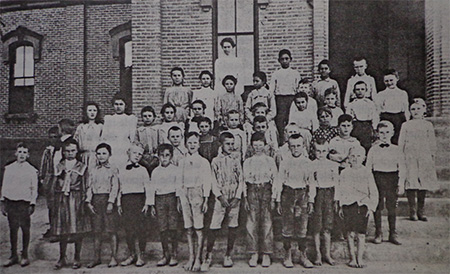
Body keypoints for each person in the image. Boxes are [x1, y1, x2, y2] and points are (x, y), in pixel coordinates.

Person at [201, 132, 244, 271]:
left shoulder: (236, 160)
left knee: (233, 225)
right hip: (221, 198)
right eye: (228, 144)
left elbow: (241, 179)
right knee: (214, 225)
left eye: (232, 144)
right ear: (221, 144)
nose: (230, 146)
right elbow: (213, 180)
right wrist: (220, 196)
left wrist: (237, 196)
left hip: (234, 198)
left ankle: (228, 254)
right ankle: (208, 255)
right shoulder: (215, 161)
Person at [273, 134, 314, 269]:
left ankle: (303, 255)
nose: (295, 149)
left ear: (303, 146)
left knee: (303, 226)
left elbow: (311, 183)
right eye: (292, 146)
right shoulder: (285, 161)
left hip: (302, 194)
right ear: (289, 147)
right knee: (287, 226)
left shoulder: (307, 162)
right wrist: (278, 200)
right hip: (288, 194)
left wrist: (311, 201)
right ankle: (287, 255)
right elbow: (279, 181)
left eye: (298, 146)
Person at [336, 145, 378, 268]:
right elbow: (340, 190)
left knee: (361, 234)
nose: (355, 158)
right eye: (353, 156)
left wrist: (370, 207)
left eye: (358, 156)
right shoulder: (344, 173)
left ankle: (360, 258)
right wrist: (340, 206)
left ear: (364, 158)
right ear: (348, 158)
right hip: (349, 205)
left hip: (362, 205)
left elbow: (373, 191)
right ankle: (352, 258)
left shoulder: (367, 172)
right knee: (350, 233)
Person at [52, 138, 90, 270]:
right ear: (63, 152)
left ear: (77, 151)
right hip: (62, 199)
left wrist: (84, 202)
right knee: (62, 229)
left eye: (73, 150)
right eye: (67, 151)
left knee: (77, 228)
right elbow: (54, 185)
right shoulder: (59, 166)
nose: (70, 153)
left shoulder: (82, 167)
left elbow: (85, 186)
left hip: (76, 198)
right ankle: (62, 257)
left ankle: (77, 257)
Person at [398, 99, 438, 221]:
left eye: (418, 109)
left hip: (424, 155)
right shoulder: (406, 125)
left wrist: (432, 155)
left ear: (424, 110)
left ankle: (421, 211)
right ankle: (412, 211)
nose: (416, 111)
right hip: (410, 156)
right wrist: (401, 155)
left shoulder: (427, 125)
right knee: (411, 182)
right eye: (413, 109)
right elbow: (401, 142)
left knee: (423, 183)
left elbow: (432, 142)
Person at [178, 132, 213, 271]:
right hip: (184, 194)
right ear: (186, 143)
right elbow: (179, 181)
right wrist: (179, 199)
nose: (192, 145)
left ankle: (199, 258)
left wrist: (205, 199)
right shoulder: (182, 161)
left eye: (194, 142)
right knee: (188, 227)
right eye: (190, 142)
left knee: (198, 227)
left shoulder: (203, 162)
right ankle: (191, 257)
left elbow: (207, 181)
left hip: (198, 194)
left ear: (199, 144)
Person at [366, 121, 404, 245]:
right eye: (381, 133)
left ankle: (393, 233)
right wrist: (369, 184)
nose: (384, 135)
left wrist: (401, 183)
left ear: (392, 133)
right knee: (377, 206)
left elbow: (402, 168)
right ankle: (378, 233)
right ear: (377, 134)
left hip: (392, 178)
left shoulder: (397, 149)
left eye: (387, 132)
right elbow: (368, 168)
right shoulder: (373, 150)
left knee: (391, 207)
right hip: (377, 178)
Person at [243, 132, 277, 268]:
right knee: (251, 222)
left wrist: (274, 197)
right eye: (255, 145)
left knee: (267, 222)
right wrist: (245, 197)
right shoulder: (248, 162)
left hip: (266, 190)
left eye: (260, 145)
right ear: (251, 146)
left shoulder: (270, 160)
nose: (258, 147)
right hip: (252, 190)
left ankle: (266, 254)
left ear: (265, 145)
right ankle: (253, 253)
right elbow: (243, 181)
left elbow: (276, 179)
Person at [1, 142, 38, 267]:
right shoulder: (9, 168)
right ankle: (13, 255)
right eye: (20, 152)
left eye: (25, 152)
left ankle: (25, 255)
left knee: (25, 228)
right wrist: (3, 202)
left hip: (24, 202)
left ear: (28, 155)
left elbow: (34, 188)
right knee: (13, 229)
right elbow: (5, 186)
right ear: (16, 153)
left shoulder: (31, 170)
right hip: (12, 202)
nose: (22, 154)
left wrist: (32, 203)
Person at [85, 143, 120, 268]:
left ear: (109, 155)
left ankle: (113, 257)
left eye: (104, 153)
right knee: (97, 231)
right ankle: (96, 258)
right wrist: (88, 201)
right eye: (98, 153)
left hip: (107, 200)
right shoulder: (93, 170)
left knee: (111, 230)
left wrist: (111, 202)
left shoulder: (113, 169)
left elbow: (115, 186)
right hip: (96, 200)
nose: (101, 156)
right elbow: (89, 186)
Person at [117, 142, 151, 267]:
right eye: (135, 153)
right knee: (129, 229)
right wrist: (119, 203)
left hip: (139, 200)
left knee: (140, 229)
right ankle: (132, 254)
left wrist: (147, 203)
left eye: (140, 154)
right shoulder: (121, 169)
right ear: (128, 153)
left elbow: (148, 187)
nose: (137, 156)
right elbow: (119, 187)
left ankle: (141, 255)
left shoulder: (143, 170)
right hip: (126, 200)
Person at [149, 144, 181, 267]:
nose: (164, 158)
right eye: (162, 156)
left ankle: (174, 254)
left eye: (167, 155)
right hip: (159, 199)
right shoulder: (156, 171)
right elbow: (152, 188)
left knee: (172, 226)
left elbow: (178, 186)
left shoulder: (176, 169)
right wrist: (152, 205)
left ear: (171, 156)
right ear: (158, 156)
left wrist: (178, 201)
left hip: (172, 198)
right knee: (162, 227)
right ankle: (165, 254)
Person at [309, 141, 340, 266]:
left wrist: (336, 200)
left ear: (327, 152)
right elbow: (311, 183)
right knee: (317, 226)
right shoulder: (311, 165)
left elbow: (336, 183)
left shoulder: (333, 165)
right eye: (318, 151)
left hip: (329, 194)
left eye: (323, 151)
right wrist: (311, 201)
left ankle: (327, 254)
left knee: (327, 226)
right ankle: (318, 254)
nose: (320, 154)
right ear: (314, 151)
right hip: (317, 195)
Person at [270, 49, 302, 141]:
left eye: (286, 58)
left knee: (291, 119)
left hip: (291, 98)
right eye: (282, 59)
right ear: (279, 60)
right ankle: (281, 140)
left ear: (290, 59)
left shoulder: (295, 73)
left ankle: (292, 139)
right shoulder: (276, 74)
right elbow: (272, 89)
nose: (284, 61)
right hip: (280, 99)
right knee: (280, 120)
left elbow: (298, 88)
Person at [374, 69, 410, 144]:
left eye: (391, 80)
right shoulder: (381, 94)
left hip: (399, 119)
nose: (389, 83)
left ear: (397, 79)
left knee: (399, 141)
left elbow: (406, 110)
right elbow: (377, 112)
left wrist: (407, 123)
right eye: (386, 81)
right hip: (386, 118)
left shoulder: (402, 93)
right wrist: (376, 125)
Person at [101, 93, 138, 167]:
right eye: (116, 104)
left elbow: (132, 138)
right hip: (112, 148)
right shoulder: (109, 119)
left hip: (124, 149)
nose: (118, 107)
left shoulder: (130, 119)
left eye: (121, 104)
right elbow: (104, 137)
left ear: (125, 106)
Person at [39, 126, 60, 239]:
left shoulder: (61, 150)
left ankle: (58, 230)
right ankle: (52, 228)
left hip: (58, 181)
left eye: (56, 137)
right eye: (51, 137)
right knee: (51, 206)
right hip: (49, 180)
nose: (53, 139)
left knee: (59, 206)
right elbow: (43, 166)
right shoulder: (47, 151)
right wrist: (42, 179)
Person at [347, 81, 379, 152]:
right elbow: (349, 118)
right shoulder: (351, 104)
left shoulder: (370, 103)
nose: (360, 91)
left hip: (367, 127)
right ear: (354, 91)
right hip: (356, 127)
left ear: (366, 91)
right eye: (357, 89)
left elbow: (375, 117)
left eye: (362, 89)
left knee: (367, 147)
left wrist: (375, 129)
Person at [74, 101, 103, 170]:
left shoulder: (100, 127)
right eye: (90, 110)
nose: (92, 113)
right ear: (86, 112)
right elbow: (75, 141)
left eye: (94, 110)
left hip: (96, 156)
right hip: (83, 156)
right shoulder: (81, 127)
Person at [136, 106, 160, 175]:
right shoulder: (139, 130)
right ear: (142, 118)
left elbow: (160, 143)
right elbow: (137, 144)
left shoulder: (157, 129)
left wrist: (156, 156)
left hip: (155, 157)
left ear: (154, 117)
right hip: (143, 158)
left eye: (149, 116)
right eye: (145, 116)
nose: (147, 118)